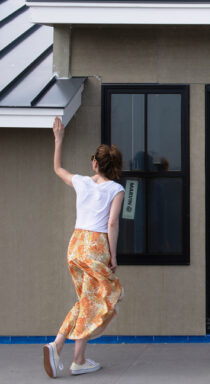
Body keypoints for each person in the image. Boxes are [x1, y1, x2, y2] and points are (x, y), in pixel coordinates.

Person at [43, 116, 126, 378]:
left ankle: (78, 359)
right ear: (115, 167)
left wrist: (59, 139)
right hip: (95, 246)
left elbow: (58, 169)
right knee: (111, 295)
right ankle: (57, 344)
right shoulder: (116, 189)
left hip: (76, 244)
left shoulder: (81, 181)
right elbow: (111, 224)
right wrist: (113, 255)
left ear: (94, 164)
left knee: (86, 299)